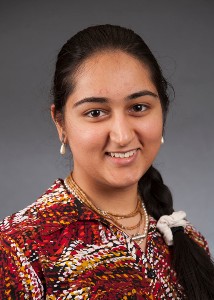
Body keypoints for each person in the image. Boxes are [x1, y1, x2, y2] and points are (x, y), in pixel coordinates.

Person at [0, 24, 214, 300]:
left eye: (138, 107)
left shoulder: (187, 240)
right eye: (96, 112)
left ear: (163, 112)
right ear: (61, 123)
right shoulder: (18, 249)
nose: (123, 135)